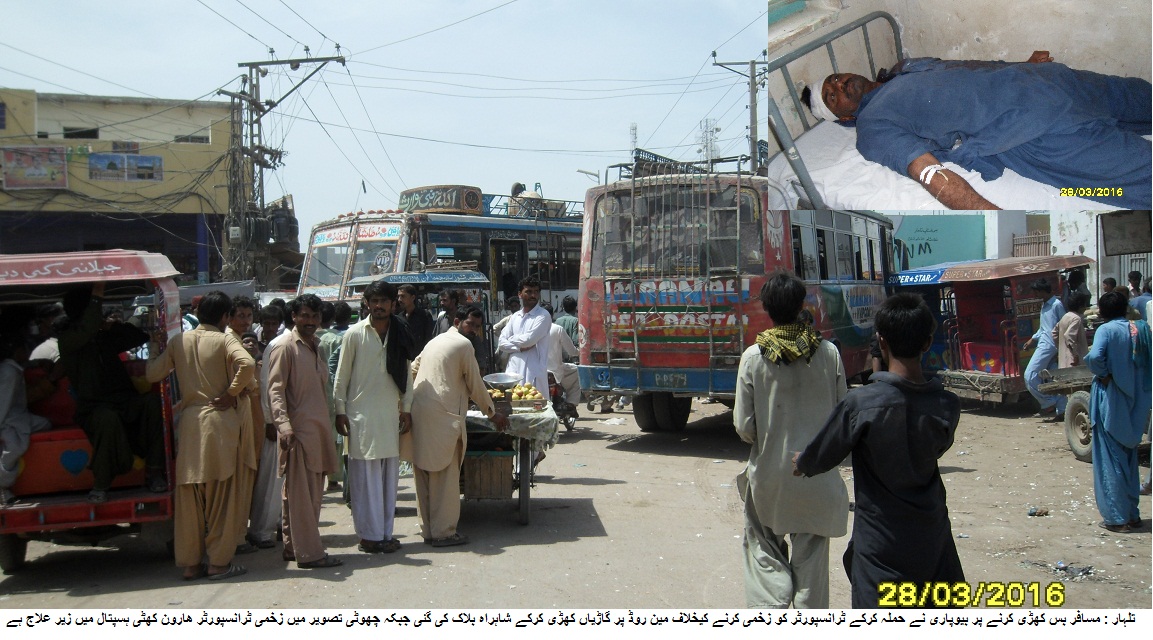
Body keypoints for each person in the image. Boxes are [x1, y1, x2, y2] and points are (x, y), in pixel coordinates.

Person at [803, 52, 1151, 209]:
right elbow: (927, 171)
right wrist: (988, 215)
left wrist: (1021, 65)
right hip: (1028, 131)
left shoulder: (904, 68)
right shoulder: (872, 129)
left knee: (1141, 96)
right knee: (1139, 172)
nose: (839, 85)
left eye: (834, 78)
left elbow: (966, 66)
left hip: (1049, 81)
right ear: (844, 120)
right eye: (831, 97)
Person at [793, 293, 964, 608]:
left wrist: (802, 462)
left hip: (880, 547)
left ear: (881, 342)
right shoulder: (947, 405)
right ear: (927, 343)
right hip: (932, 537)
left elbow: (820, 455)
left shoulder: (862, 404)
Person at [733, 271, 848, 608]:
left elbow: (744, 425)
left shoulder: (754, 357)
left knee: (762, 545)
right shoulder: (828, 353)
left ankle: (774, 605)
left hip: (771, 477)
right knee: (812, 553)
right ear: (802, 305)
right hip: (818, 475)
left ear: (767, 309)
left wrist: (768, 438)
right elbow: (843, 415)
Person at [145, 291, 255, 581]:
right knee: (221, 497)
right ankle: (219, 564)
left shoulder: (179, 341)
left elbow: (153, 374)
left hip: (191, 425)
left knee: (190, 499)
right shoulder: (225, 339)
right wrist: (230, 393)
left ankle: (191, 565)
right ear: (225, 317)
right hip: (219, 424)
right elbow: (248, 365)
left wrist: (154, 349)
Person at [404, 306, 508, 547]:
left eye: (477, 327)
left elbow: (412, 371)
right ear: (458, 321)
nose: (473, 330)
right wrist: (492, 413)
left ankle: (428, 530)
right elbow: (475, 383)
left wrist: (404, 403)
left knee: (424, 474)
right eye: (470, 324)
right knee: (445, 476)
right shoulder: (463, 345)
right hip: (442, 415)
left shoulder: (435, 341)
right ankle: (444, 533)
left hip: (420, 412)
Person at [58, 283, 165, 503]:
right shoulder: (68, 339)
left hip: (125, 400)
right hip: (94, 407)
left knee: (153, 403)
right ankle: (102, 483)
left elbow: (137, 337)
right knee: (107, 419)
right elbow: (86, 329)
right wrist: (97, 293)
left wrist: (111, 327)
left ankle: (154, 472)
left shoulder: (102, 336)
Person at [332, 281, 413, 555]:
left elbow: (407, 374)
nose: (378, 306)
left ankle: (384, 534)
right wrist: (340, 410)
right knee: (365, 481)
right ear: (366, 303)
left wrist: (408, 408)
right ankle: (369, 536)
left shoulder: (400, 333)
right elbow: (341, 377)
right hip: (360, 418)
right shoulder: (354, 335)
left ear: (393, 304)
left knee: (389, 480)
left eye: (384, 301)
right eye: (374, 301)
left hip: (390, 416)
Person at [266, 294, 343, 569]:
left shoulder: (315, 346)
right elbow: (275, 391)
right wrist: (284, 426)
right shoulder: (285, 347)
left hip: (318, 432)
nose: (310, 321)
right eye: (305, 316)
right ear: (294, 317)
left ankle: (293, 547)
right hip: (298, 433)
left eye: (314, 316)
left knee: (302, 496)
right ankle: (310, 554)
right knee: (302, 498)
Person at [1085, 292, 1151, 533]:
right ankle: (1133, 515)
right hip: (1138, 403)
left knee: (1110, 461)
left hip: (1111, 400)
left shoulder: (1106, 330)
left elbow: (1095, 357)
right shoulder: (1142, 330)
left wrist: (1104, 373)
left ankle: (1117, 517)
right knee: (1129, 460)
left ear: (1102, 312)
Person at [0, 334, 52, 506]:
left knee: (46, 424)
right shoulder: (9, 371)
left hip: (17, 416)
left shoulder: (11, 367)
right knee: (13, 447)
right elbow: (4, 401)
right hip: (10, 418)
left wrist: (37, 363)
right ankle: (3, 486)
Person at [497, 276, 552, 393]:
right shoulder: (515, 317)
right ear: (520, 294)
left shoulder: (543, 315)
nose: (533, 295)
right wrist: (518, 348)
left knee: (535, 407)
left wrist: (510, 340)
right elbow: (501, 343)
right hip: (513, 370)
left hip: (533, 372)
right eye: (529, 292)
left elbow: (529, 340)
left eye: (536, 292)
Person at [1022, 278, 1066, 420]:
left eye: (1036, 291)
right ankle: (1061, 410)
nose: (1034, 295)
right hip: (1044, 343)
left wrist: (1060, 350)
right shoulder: (1045, 305)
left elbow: (1063, 326)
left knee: (1030, 375)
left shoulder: (1056, 305)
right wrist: (1032, 339)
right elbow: (1043, 328)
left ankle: (1048, 404)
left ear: (1041, 291)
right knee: (1051, 378)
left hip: (1050, 346)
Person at [546, 322, 580, 410]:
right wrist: (579, 352)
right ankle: (571, 403)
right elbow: (572, 352)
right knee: (577, 370)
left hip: (536, 371)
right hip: (555, 370)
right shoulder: (557, 329)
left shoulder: (532, 329)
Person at [1053, 292, 1091, 369]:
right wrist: (1075, 355)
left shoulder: (1065, 317)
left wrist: (1061, 349)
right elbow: (1069, 336)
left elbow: (1054, 333)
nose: (1085, 308)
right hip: (1074, 362)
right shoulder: (1076, 318)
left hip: (1063, 360)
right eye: (1084, 305)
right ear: (1080, 306)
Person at [398, 284, 435, 356]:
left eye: (403, 296)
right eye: (398, 296)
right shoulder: (399, 317)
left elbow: (429, 339)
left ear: (412, 298)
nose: (399, 299)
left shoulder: (424, 316)